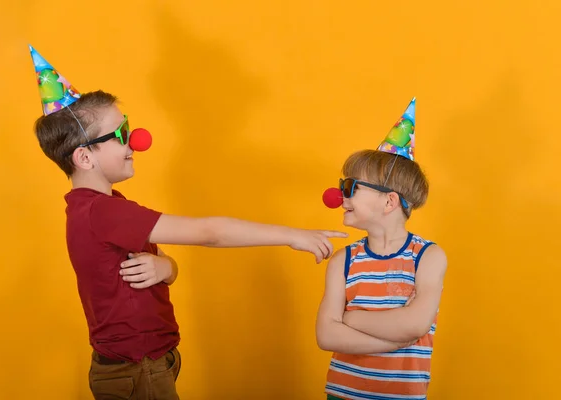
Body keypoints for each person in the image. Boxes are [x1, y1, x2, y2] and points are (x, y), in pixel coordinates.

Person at [28, 45, 347, 400]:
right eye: (120, 135)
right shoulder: (102, 212)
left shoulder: (105, 208)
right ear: (85, 157)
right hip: (137, 369)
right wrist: (292, 235)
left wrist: (165, 266)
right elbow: (209, 232)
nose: (136, 141)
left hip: (148, 363)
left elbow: (167, 268)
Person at [316, 98, 447, 400]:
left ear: (389, 201)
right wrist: (396, 338)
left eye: (350, 187)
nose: (338, 195)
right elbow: (326, 335)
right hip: (342, 394)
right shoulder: (343, 261)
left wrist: (351, 319)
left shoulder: (428, 257)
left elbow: (415, 323)